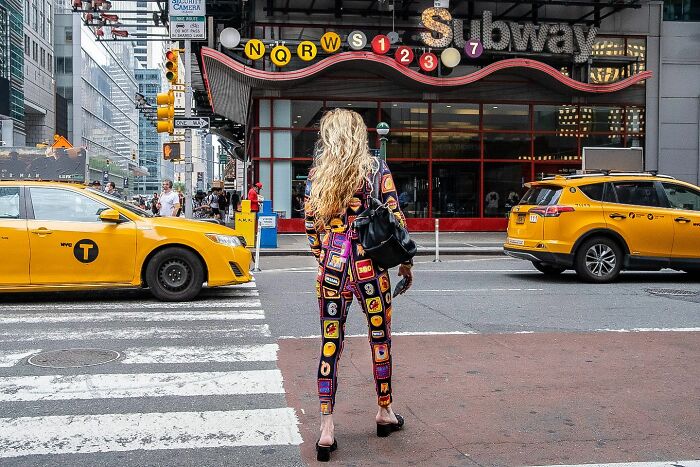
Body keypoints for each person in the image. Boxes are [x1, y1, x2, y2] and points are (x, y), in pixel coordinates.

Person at [304, 108, 413, 462]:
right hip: (370, 267)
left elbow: (309, 224)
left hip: (333, 268)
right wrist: (406, 262)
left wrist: (324, 257)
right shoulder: (377, 169)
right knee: (380, 339)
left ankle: (326, 429)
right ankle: (384, 412)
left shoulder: (318, 174)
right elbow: (395, 218)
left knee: (330, 345)